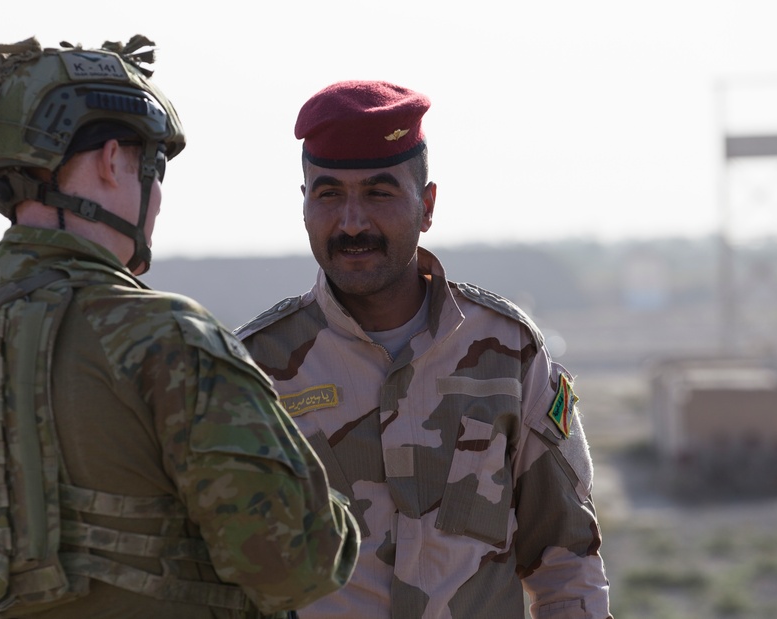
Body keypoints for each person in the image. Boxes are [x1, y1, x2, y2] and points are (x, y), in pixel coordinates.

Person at [0, 36, 358, 619]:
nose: (156, 198)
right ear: (112, 161)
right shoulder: (168, 338)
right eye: (152, 169)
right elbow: (298, 563)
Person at [235, 80, 611, 619]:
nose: (352, 222)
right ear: (304, 205)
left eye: (379, 193)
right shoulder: (256, 368)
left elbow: (567, 561)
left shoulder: (508, 353)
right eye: (329, 194)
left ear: (427, 205)